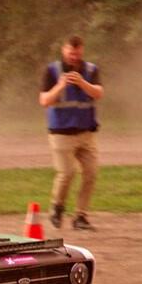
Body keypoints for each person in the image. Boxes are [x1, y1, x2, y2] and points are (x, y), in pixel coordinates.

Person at [39, 35, 104, 230]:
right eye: (70, 53)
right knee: (67, 173)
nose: (74, 57)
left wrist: (82, 82)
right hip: (61, 133)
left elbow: (98, 93)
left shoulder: (91, 70)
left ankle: (80, 217)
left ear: (82, 51)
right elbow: (44, 101)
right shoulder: (52, 71)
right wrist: (61, 85)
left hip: (86, 133)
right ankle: (57, 208)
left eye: (77, 53)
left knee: (91, 173)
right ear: (63, 50)